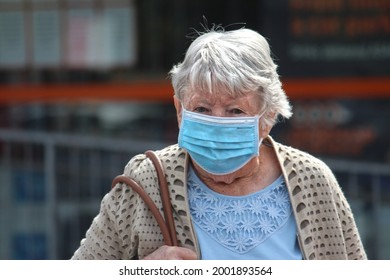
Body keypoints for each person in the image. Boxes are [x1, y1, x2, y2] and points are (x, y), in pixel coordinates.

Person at [71, 26, 367, 260]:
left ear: (267, 116)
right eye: (201, 109)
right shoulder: (147, 177)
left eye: (235, 110)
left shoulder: (312, 179)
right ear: (179, 110)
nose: (217, 122)